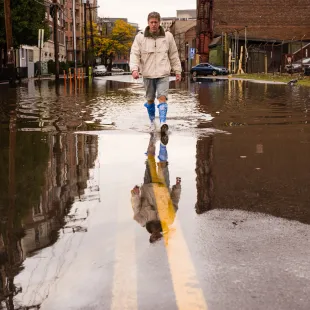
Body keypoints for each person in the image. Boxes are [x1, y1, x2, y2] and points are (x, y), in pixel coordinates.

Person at [130, 12, 182, 133]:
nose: (153, 24)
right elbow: (134, 54)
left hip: (163, 73)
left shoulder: (168, 37)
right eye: (151, 22)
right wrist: (134, 69)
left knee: (162, 97)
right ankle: (153, 122)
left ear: (159, 23)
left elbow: (174, 55)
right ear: (148, 23)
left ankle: (163, 122)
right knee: (150, 100)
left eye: (156, 22)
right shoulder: (140, 37)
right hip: (147, 74)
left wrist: (178, 71)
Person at [131, 134, 182, 243]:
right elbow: (174, 202)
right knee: (163, 163)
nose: (156, 236)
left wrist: (135, 194)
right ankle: (163, 144)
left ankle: (152, 139)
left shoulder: (141, 220)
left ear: (150, 237)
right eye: (159, 237)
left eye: (154, 238)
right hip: (163, 186)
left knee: (150, 160)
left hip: (148, 186)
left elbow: (136, 206)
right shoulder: (168, 219)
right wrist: (177, 187)